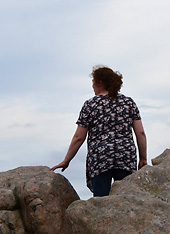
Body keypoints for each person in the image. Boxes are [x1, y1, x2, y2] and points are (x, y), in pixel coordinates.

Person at [50, 66, 148, 197]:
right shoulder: (128, 103)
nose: (92, 87)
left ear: (100, 83)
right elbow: (140, 133)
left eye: (93, 83)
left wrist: (66, 160)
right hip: (125, 157)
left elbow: (79, 137)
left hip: (100, 159)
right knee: (126, 200)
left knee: (100, 203)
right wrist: (143, 158)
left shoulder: (90, 105)